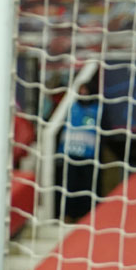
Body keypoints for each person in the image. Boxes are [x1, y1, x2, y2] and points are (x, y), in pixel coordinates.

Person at [55, 73, 110, 222]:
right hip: (69, 153)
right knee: (69, 186)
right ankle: (67, 214)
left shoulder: (98, 109)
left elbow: (105, 131)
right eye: (81, 90)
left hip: (89, 155)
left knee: (88, 186)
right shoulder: (69, 107)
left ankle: (88, 215)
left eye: (86, 90)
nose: (83, 93)